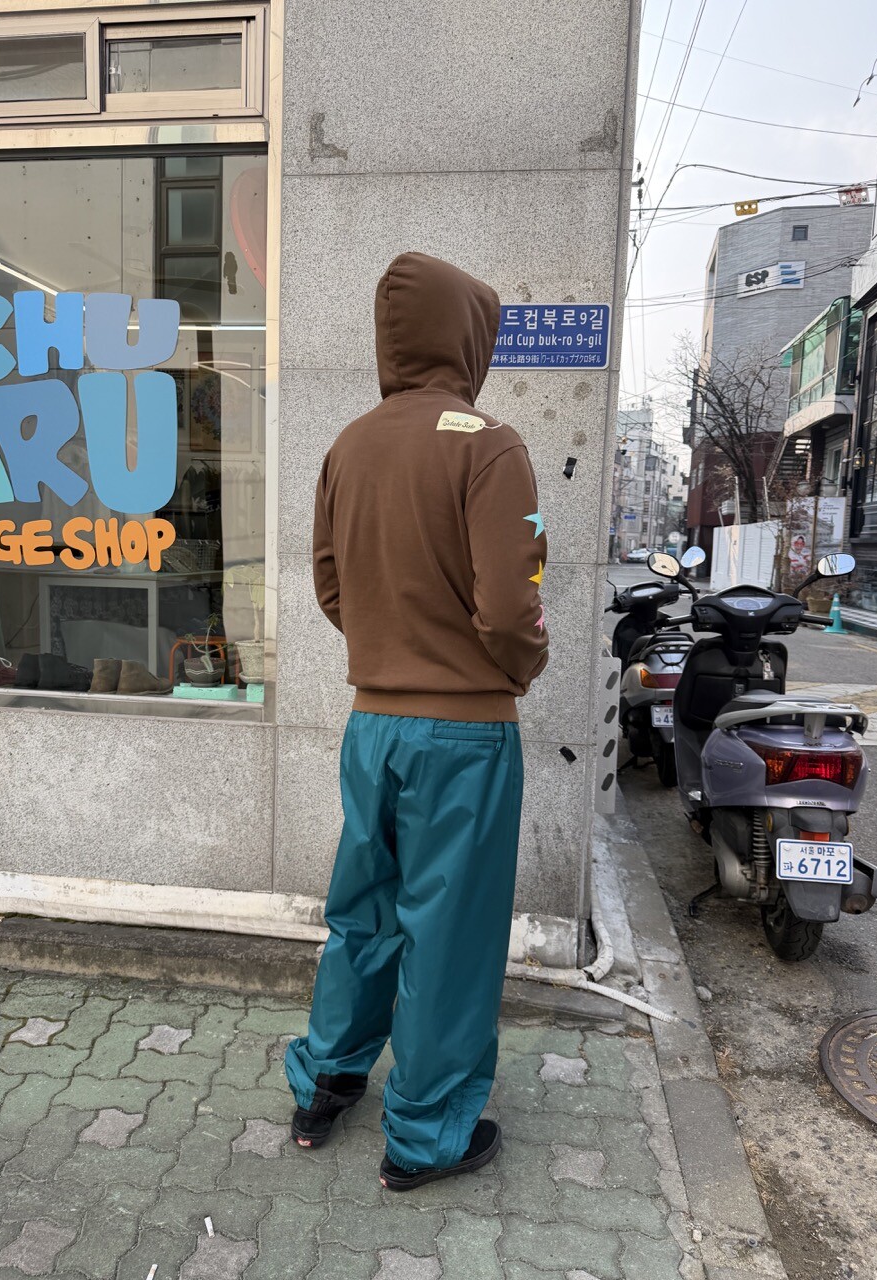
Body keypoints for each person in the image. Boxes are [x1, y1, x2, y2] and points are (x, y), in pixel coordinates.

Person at [284, 251, 549, 1191]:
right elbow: (512, 608)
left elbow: (330, 584)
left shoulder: (348, 445)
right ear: (467, 336)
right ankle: (426, 1135)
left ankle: (325, 1082)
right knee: (450, 933)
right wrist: (513, 671)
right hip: (465, 735)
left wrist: (387, 647)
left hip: (373, 725)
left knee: (364, 911)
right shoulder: (490, 445)